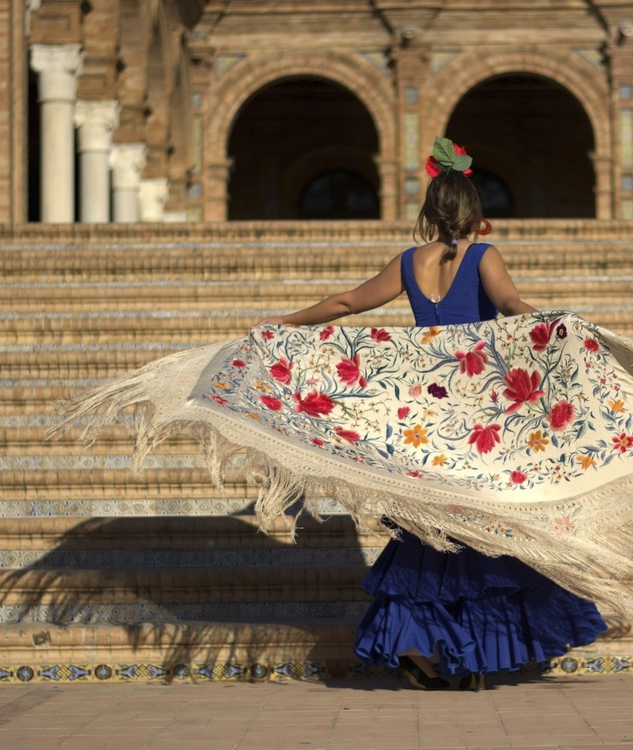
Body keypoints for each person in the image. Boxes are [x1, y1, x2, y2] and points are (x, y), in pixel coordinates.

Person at [257, 137, 607, 690]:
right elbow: (511, 306)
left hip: (426, 416)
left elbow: (346, 303)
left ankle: (421, 648)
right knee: (482, 528)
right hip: (480, 417)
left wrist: (285, 323)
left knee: (429, 533)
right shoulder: (483, 257)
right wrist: (561, 326)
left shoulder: (409, 262)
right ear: (474, 211)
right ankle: (467, 652)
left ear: (430, 211)